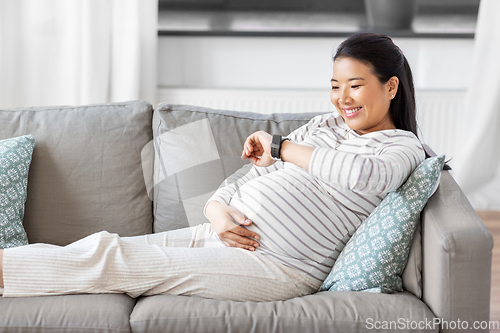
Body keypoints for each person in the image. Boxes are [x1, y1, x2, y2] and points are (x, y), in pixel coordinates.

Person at [0, 33, 425, 302]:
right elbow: (252, 173)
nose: (342, 98)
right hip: (221, 236)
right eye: (335, 86)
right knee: (109, 244)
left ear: (390, 87)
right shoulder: (324, 125)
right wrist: (217, 210)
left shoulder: (401, 146)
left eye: (355, 86)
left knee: (116, 258)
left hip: (277, 264)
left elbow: (365, 177)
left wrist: (281, 146)